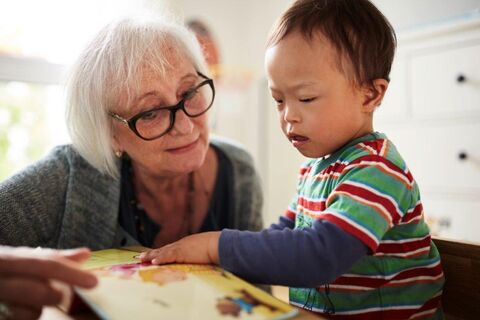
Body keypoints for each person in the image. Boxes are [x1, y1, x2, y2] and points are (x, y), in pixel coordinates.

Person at [139, 0, 445, 318]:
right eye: (278, 100)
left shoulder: (376, 171)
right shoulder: (315, 170)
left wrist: (214, 246)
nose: (289, 116)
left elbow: (319, 256)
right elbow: (282, 238)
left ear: (370, 94)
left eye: (306, 98)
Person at [0, 15, 263, 317]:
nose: (186, 126)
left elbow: (258, 300)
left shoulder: (238, 170)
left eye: (189, 93)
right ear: (111, 134)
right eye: (151, 112)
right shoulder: (71, 175)